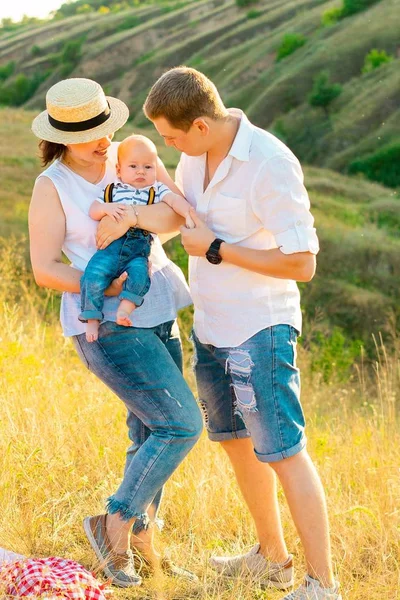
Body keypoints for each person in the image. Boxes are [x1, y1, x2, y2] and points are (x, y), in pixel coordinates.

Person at [140, 67, 341, 600]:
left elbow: (302, 263)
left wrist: (216, 248)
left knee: (281, 450)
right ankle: (271, 558)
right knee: (235, 444)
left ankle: (322, 585)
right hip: (211, 324)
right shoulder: (192, 156)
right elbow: (181, 215)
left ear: (202, 125)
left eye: (173, 136)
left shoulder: (270, 163)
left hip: (260, 327)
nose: (171, 146)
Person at [29, 77, 203, 588]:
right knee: (180, 424)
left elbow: (172, 214)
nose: (103, 141)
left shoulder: (130, 157)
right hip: (105, 322)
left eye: (105, 128)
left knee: (148, 430)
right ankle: (113, 523)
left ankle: (142, 545)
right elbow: (44, 269)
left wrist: (128, 215)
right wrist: (104, 288)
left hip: (159, 307)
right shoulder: (52, 185)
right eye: (89, 134)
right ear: (61, 136)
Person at [80, 134, 195, 342]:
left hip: (138, 251)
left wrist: (189, 211)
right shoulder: (112, 190)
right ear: (119, 170)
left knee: (141, 275)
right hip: (110, 248)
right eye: (133, 166)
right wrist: (107, 208)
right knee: (93, 274)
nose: (141, 171)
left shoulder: (156, 190)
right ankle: (91, 318)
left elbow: (175, 201)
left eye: (148, 167)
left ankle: (125, 308)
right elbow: (93, 210)